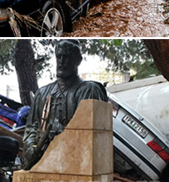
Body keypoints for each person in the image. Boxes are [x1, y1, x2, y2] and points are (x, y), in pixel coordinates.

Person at [21, 39, 108, 170]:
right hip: (45, 161)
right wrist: (30, 148)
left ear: (78, 60)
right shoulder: (42, 93)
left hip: (76, 163)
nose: (61, 62)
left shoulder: (89, 90)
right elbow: (31, 128)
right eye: (59, 57)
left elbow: (93, 134)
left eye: (66, 57)